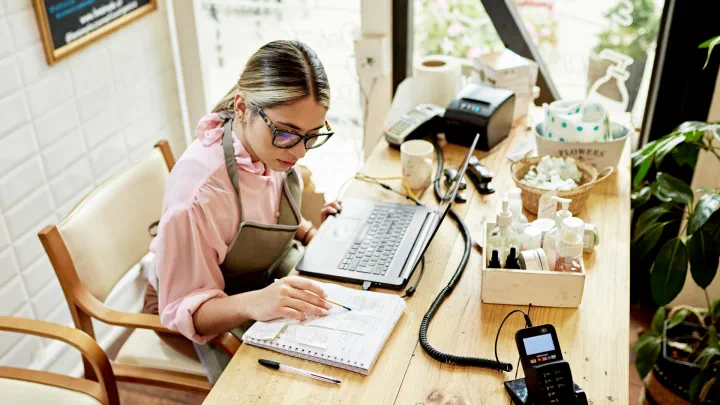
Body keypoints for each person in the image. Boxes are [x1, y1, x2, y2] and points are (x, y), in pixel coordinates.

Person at [143, 40, 342, 383]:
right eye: (287, 133)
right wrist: (255, 303)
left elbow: (264, 212)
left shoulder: (270, 147)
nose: (300, 152)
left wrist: (310, 232)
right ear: (242, 107)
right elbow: (183, 308)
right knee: (290, 382)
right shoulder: (200, 194)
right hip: (196, 309)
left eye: (312, 136)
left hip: (260, 281)